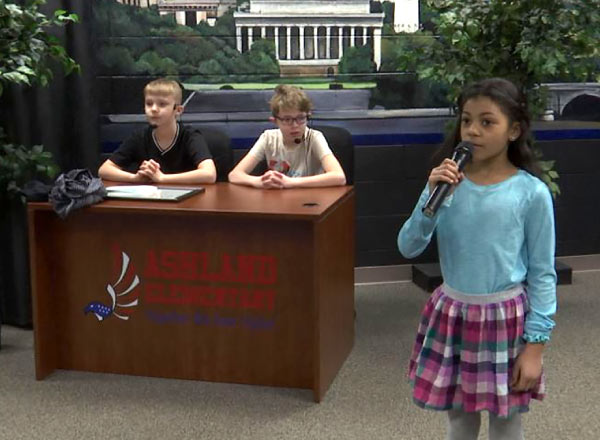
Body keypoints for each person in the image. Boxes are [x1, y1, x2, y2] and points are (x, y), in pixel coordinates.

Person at [398, 78, 557, 440]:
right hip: (453, 314)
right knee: (458, 417)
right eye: (467, 120)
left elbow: (542, 274)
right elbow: (408, 246)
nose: (472, 131)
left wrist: (535, 347)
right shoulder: (445, 182)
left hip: (506, 318)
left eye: (487, 122)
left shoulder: (530, 193)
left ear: (513, 130)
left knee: (506, 419)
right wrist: (431, 201)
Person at [98, 78, 216, 184]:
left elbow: (209, 174)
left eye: (162, 104)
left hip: (187, 203)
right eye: (149, 104)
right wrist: (135, 178)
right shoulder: (139, 137)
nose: (154, 109)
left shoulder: (190, 136)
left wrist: (162, 178)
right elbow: (104, 170)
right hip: (151, 202)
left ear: (178, 110)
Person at [228, 85, 346, 189]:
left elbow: (339, 177)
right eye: (287, 120)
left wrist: (290, 183)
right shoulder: (268, 138)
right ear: (275, 121)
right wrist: (258, 181)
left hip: (309, 201)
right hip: (277, 202)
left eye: (300, 118)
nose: (295, 125)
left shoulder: (314, 138)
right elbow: (234, 175)